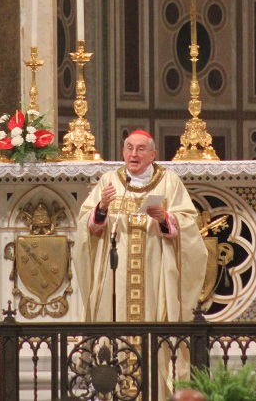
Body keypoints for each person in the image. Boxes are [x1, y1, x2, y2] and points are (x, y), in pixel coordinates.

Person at [73, 129, 208, 322]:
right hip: (116, 271)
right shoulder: (109, 180)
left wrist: (164, 218)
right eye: (129, 148)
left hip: (155, 267)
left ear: (153, 155)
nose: (133, 154)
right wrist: (101, 208)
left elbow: (188, 224)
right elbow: (87, 226)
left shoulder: (169, 181)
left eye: (140, 149)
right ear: (123, 152)